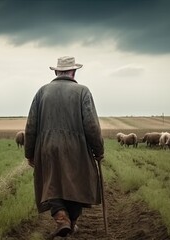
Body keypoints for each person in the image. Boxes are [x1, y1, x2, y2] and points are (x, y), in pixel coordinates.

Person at [24, 56, 104, 238]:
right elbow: (91, 125)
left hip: (47, 147)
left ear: (56, 71)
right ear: (74, 72)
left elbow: (30, 126)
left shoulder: (41, 92)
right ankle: (69, 221)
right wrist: (98, 150)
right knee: (76, 185)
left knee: (50, 182)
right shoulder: (83, 91)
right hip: (76, 148)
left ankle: (62, 218)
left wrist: (29, 153)